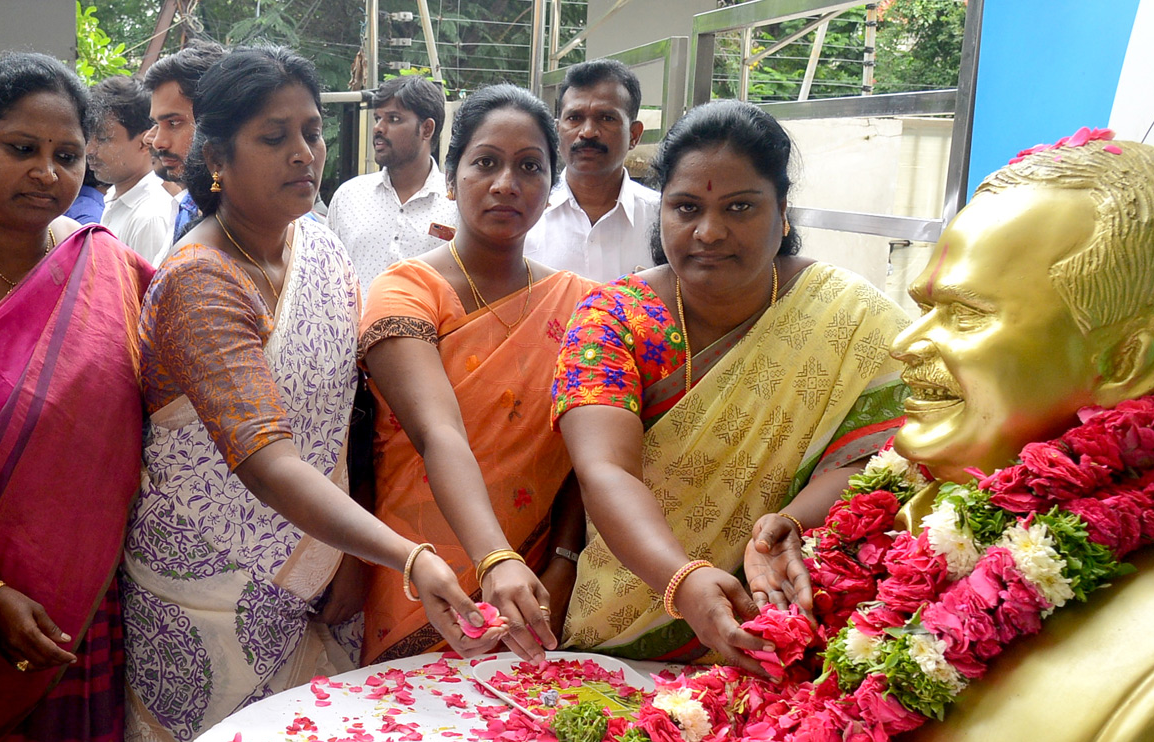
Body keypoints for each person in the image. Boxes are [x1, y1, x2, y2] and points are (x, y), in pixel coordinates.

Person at [121, 46, 474, 742]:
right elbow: (268, 458)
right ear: (216, 156)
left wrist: (351, 553)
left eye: (311, 132)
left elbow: (348, 410)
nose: (304, 154)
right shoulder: (201, 281)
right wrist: (403, 554)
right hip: (205, 599)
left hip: (320, 577)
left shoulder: (318, 246)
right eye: (273, 137)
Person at [852, 136, 1154, 742]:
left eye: (964, 316)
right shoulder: (917, 525)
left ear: (1126, 360)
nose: (907, 342)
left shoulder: (1149, 662)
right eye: (927, 306)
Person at [552, 100, 909, 670]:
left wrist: (792, 522)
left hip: (787, 620)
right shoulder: (614, 319)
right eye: (686, 207)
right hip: (627, 622)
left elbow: (875, 455)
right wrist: (683, 582)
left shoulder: (848, 315)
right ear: (661, 211)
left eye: (740, 206)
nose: (710, 232)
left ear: (783, 212)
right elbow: (604, 471)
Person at [0, 52, 155, 742]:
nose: (47, 172)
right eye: (19, 147)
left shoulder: (104, 271)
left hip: (77, 616)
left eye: (67, 154)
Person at [359, 84, 596, 664]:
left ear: (550, 184)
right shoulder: (405, 290)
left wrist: (562, 564)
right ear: (451, 177)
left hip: (533, 580)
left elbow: (581, 462)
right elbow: (436, 433)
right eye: (486, 162)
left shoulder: (582, 306)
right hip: (420, 575)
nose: (506, 184)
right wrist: (494, 558)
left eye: (530, 167)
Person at [523, 58, 658, 281]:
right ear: (558, 131)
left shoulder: (662, 220)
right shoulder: (525, 216)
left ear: (634, 134)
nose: (587, 132)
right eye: (574, 118)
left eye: (606, 118)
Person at [327, 75, 458, 288]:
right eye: (377, 118)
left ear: (427, 129)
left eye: (393, 119)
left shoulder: (456, 204)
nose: (379, 128)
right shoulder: (349, 196)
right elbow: (326, 277)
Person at [143, 40, 225, 251]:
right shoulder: (188, 207)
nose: (157, 141)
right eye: (156, 124)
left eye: (174, 123)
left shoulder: (270, 223)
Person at [88, 75, 175, 261]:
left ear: (144, 143)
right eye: (89, 137)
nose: (89, 150)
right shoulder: (115, 197)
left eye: (103, 139)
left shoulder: (150, 217)